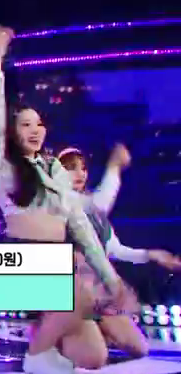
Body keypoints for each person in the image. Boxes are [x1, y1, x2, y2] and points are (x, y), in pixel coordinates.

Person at [0, 26, 134, 373]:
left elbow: (81, 228)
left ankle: (45, 342)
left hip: (59, 262)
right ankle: (37, 351)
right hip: (25, 261)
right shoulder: (4, 167)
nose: (35, 130)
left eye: (39, 124)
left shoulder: (55, 170)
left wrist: (111, 278)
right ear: (11, 133)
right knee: (83, 299)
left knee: (94, 357)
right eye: (25, 125)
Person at [56, 144, 180, 359]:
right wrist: (114, 167)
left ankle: (96, 330)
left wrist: (151, 255)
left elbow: (115, 250)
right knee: (94, 356)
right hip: (71, 288)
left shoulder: (95, 214)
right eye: (71, 168)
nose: (80, 173)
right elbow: (100, 204)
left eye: (83, 168)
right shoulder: (61, 203)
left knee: (139, 348)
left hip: (98, 287)